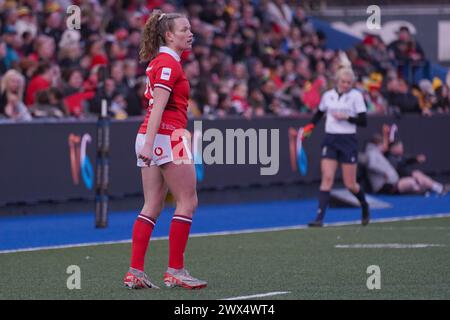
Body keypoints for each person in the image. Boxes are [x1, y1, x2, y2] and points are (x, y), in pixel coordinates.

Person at [123, 11, 207, 290]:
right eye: (185, 29)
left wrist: (147, 142)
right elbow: (159, 106)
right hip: (167, 136)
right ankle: (176, 270)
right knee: (187, 201)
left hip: (152, 135)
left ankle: (135, 271)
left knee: (152, 205)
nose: (190, 33)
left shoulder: (160, 61)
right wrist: (149, 143)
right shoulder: (169, 63)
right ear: (169, 35)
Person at [304, 53, 370, 227]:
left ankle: (364, 205)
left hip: (347, 140)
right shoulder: (328, 96)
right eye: (343, 82)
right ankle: (319, 218)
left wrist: (347, 117)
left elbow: (363, 121)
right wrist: (308, 129)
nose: (346, 85)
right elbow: (318, 114)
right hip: (331, 138)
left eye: (349, 83)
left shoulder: (356, 96)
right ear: (337, 81)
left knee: (350, 184)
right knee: (327, 177)